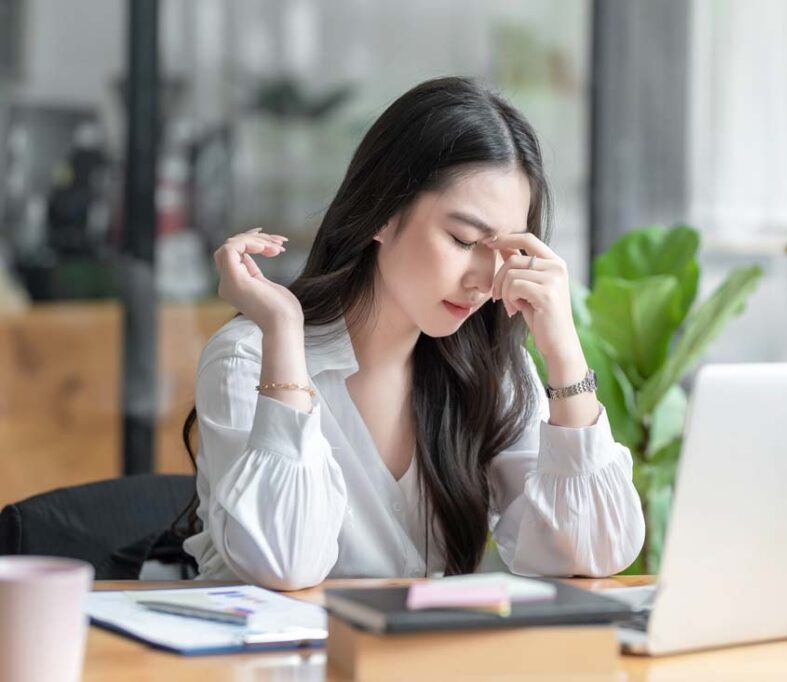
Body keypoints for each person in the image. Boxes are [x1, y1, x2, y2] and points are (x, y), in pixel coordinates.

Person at [180, 76, 644, 590]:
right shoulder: (249, 358)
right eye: (463, 239)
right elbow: (282, 563)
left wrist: (563, 354)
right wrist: (284, 331)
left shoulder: (491, 372)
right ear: (381, 212)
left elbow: (593, 551)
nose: (486, 279)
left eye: (506, 250)